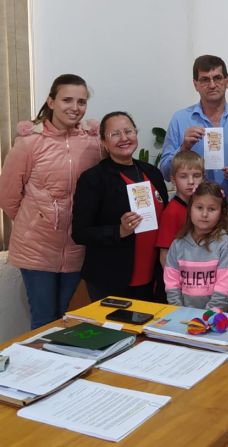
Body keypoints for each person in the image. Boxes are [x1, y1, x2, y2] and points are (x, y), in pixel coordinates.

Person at [0, 74, 102, 329]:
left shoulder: (93, 143)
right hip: (36, 247)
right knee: (44, 319)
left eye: (81, 102)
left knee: (67, 317)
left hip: (76, 247)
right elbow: (8, 196)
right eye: (67, 99)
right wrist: (36, 221)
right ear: (51, 101)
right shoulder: (29, 143)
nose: (75, 107)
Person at [72, 112, 168, 301]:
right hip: (111, 278)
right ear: (103, 142)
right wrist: (119, 230)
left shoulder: (153, 173)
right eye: (115, 134)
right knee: (116, 332)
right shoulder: (93, 179)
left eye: (128, 131)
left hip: (153, 277)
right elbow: (80, 233)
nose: (124, 138)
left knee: (148, 331)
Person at [159, 55, 228, 204]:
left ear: (227, 81)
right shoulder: (179, 119)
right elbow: (165, 172)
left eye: (218, 78)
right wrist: (184, 148)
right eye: (205, 79)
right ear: (195, 84)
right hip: (195, 212)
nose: (212, 85)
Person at [164, 182, 228, 310]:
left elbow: (224, 286)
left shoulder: (226, 244)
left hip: (213, 318)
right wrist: (178, 310)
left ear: (221, 213)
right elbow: (171, 283)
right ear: (190, 209)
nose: (204, 214)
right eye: (199, 207)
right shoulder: (178, 244)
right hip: (181, 315)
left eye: (212, 209)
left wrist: (208, 315)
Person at [157, 151, 205, 267]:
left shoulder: (202, 207)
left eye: (196, 175)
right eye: (183, 176)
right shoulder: (172, 212)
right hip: (180, 278)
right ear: (173, 180)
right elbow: (164, 256)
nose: (191, 182)